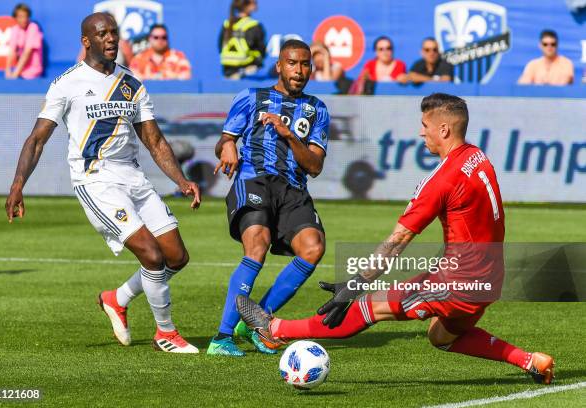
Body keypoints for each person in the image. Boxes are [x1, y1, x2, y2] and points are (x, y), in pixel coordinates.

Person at [237, 93, 555, 385]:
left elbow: (399, 239)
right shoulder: (477, 156)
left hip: (458, 282)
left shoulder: (442, 180)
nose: (421, 133)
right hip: (489, 278)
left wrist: (357, 281)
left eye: (425, 125)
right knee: (442, 336)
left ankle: (274, 329)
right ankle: (530, 361)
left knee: (365, 306)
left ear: (443, 129)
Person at [5, 13, 201, 354]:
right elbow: (37, 139)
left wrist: (181, 180)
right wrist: (18, 183)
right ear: (87, 41)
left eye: (114, 33)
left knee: (177, 257)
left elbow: (154, 140)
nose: (111, 39)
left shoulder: (131, 84)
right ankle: (166, 334)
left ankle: (117, 298)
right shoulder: (67, 84)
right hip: (96, 181)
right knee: (152, 256)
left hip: (134, 178)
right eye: (103, 34)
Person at [208, 39, 329, 356]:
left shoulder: (317, 109)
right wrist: (228, 146)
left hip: (293, 189)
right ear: (279, 65)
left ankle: (254, 320)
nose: (298, 70)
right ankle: (221, 338)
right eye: (292, 63)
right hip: (254, 179)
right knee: (257, 244)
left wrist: (289, 135)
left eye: (305, 64)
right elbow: (224, 141)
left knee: (313, 247)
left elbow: (314, 165)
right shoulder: (251, 97)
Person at [219, 0, 266, 79]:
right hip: (247, 72)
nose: (257, 4)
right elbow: (261, 50)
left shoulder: (226, 24)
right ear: (246, 5)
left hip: (227, 72)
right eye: (254, 2)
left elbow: (220, 46)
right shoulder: (254, 25)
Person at [5, 3, 43, 79]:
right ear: (15, 18)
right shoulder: (15, 29)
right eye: (20, 17)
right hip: (20, 73)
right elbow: (11, 51)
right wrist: (7, 70)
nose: (24, 19)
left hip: (33, 74)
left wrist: (15, 74)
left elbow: (27, 52)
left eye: (26, 16)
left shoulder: (33, 27)